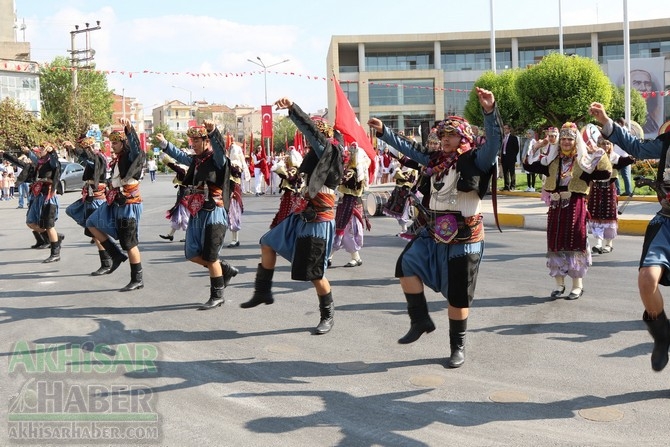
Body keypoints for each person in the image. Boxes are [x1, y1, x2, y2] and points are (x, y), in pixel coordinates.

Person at [367, 87, 501, 368]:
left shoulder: (476, 160)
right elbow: (411, 150)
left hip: (464, 236)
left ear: (463, 137)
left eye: (451, 135)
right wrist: (384, 133)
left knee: (457, 296)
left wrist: (490, 112)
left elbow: (494, 144)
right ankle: (420, 320)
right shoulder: (436, 161)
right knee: (405, 266)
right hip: (434, 231)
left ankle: (457, 347)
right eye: (442, 135)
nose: (445, 139)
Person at [240, 97, 344, 335]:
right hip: (302, 217)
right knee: (267, 242)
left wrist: (293, 110)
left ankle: (327, 315)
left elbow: (314, 135)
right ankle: (262, 291)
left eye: (312, 138)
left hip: (318, 221)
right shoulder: (317, 157)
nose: (308, 144)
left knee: (315, 274)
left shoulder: (330, 154)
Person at [589, 101, 670, 372]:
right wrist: (606, 121)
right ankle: (661, 336)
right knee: (647, 279)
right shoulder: (667, 141)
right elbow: (637, 147)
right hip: (667, 222)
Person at [156, 121, 239, 310]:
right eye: (191, 140)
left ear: (206, 141)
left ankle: (217, 296)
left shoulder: (217, 159)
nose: (192, 143)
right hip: (197, 211)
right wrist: (165, 144)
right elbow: (181, 156)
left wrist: (213, 131)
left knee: (210, 257)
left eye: (196, 140)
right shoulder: (196, 160)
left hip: (214, 212)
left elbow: (219, 149)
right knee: (192, 253)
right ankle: (224, 268)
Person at [524, 122, 609, 301]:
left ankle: (577, 286)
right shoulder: (552, 160)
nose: (566, 142)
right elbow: (529, 166)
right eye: (563, 139)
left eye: (570, 139)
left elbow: (605, 173)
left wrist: (596, 152)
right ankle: (559, 284)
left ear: (576, 140)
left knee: (575, 242)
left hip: (575, 204)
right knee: (555, 243)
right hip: (555, 206)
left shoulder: (583, 161)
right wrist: (537, 146)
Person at [86, 119, 145, 292]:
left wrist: (129, 129)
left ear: (124, 142)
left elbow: (136, 148)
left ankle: (137, 278)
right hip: (115, 201)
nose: (113, 145)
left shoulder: (131, 156)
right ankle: (115, 255)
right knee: (91, 223)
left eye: (116, 142)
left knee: (130, 244)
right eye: (112, 142)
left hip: (129, 204)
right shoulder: (118, 158)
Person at [1, 143, 64, 262]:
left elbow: (55, 164)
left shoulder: (52, 162)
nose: (38, 152)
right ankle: (56, 238)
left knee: (48, 225)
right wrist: (5, 155)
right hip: (37, 196)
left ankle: (55, 253)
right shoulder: (37, 164)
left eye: (40, 150)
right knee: (31, 222)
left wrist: (52, 152)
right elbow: (20, 163)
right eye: (37, 150)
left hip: (47, 196)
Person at [64, 136, 111, 275]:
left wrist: (74, 148)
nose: (83, 150)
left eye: (85, 147)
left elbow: (87, 157)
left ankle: (106, 262)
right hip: (90, 195)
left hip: (96, 197)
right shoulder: (95, 157)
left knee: (98, 234)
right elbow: (86, 158)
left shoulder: (98, 157)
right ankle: (94, 234)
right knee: (71, 210)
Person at [587, 135, 635, 254]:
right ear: (599, 145)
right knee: (596, 215)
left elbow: (626, 160)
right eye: (603, 144)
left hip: (609, 190)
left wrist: (633, 154)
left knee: (609, 216)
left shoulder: (614, 158)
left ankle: (608, 244)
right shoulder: (593, 158)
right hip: (596, 190)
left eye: (608, 144)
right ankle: (598, 243)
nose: (605, 146)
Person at [330, 142, 370, 267]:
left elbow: (342, 179)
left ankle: (332, 257)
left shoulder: (353, 171)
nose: (349, 154)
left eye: (352, 153)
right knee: (340, 230)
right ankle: (330, 257)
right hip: (347, 203)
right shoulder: (353, 170)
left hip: (351, 205)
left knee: (348, 231)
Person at [269, 146, 304, 229]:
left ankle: (285, 231)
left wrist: (280, 170)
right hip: (292, 193)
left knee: (287, 214)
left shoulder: (293, 169)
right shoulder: (294, 169)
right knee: (285, 213)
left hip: (291, 194)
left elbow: (290, 178)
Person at [159, 154, 189, 242]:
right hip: (183, 193)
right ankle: (170, 234)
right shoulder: (186, 170)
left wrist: (165, 159)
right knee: (178, 215)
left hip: (185, 194)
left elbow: (174, 167)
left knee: (184, 215)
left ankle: (188, 235)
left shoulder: (184, 171)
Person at [227, 144, 245, 248]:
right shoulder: (232, 163)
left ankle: (235, 239)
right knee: (231, 215)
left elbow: (235, 174)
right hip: (230, 191)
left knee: (233, 214)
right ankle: (234, 238)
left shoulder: (235, 164)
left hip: (233, 192)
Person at [500, 124, 519, 191]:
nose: (505, 130)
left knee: (512, 172)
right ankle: (506, 186)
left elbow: (516, 149)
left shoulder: (513, 138)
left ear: (509, 129)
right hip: (504, 157)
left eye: (506, 128)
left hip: (511, 158)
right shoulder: (503, 138)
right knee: (505, 172)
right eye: (504, 129)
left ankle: (513, 185)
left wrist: (513, 156)